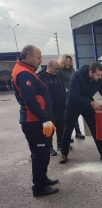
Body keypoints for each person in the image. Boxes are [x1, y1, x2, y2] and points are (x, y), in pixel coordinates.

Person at [11, 45, 59, 197]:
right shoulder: (24, 74)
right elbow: (30, 101)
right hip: (34, 121)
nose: (41, 60)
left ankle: (43, 179)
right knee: (40, 155)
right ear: (29, 57)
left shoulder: (27, 70)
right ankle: (38, 188)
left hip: (37, 119)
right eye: (38, 57)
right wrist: (46, 119)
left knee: (43, 153)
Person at [59, 62, 102, 164]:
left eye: (100, 75)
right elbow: (73, 95)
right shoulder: (77, 75)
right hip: (73, 105)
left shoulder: (99, 79)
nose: (100, 77)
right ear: (90, 72)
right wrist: (91, 102)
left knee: (95, 129)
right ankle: (64, 154)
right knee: (68, 129)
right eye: (98, 75)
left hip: (87, 105)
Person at [38, 60, 66, 155]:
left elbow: (62, 88)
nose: (57, 70)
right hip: (48, 108)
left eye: (58, 68)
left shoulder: (58, 76)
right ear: (49, 67)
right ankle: (49, 147)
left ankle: (60, 144)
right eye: (56, 68)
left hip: (60, 107)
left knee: (61, 127)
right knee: (49, 128)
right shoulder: (40, 77)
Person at [58, 55, 85, 140]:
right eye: (66, 61)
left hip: (73, 94)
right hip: (64, 95)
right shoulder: (60, 71)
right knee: (67, 116)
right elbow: (59, 83)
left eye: (69, 61)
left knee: (74, 114)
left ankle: (78, 132)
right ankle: (67, 136)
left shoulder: (73, 70)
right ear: (63, 61)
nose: (68, 62)